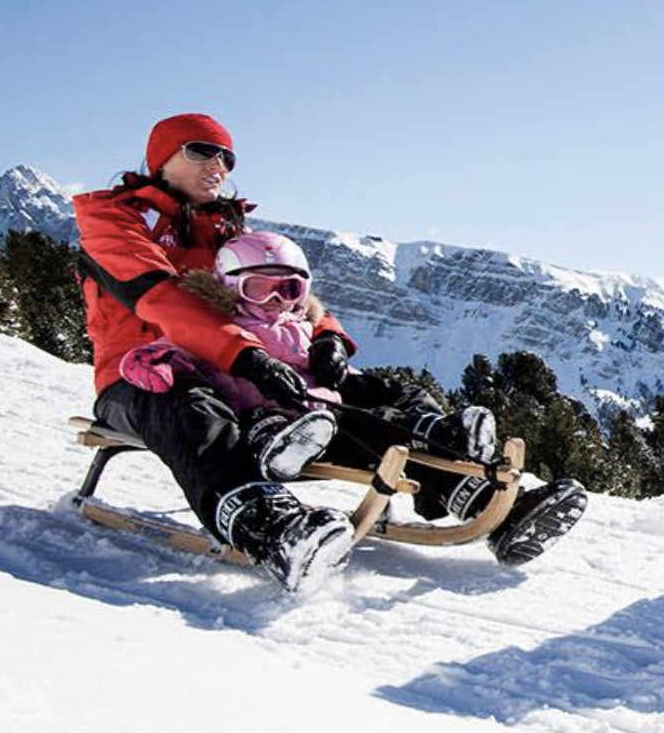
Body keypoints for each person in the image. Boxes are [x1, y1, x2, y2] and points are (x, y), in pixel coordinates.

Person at [75, 112, 587, 590]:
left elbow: (285, 297)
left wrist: (328, 340)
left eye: (228, 157)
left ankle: (470, 492)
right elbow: (161, 301)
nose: (219, 166)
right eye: (202, 150)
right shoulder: (118, 223)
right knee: (193, 410)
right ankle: (268, 528)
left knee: (347, 399)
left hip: (234, 362)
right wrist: (248, 356)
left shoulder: (226, 229)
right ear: (160, 157)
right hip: (142, 376)